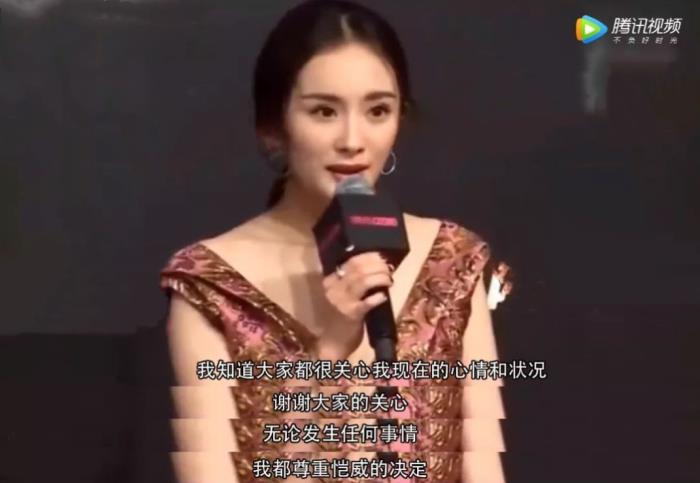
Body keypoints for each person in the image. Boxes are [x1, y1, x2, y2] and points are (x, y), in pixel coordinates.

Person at [160, 1, 507, 482]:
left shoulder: (452, 260)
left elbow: (484, 468)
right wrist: (328, 354)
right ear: (273, 126)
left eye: (377, 111)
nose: (352, 139)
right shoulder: (210, 283)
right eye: (323, 111)